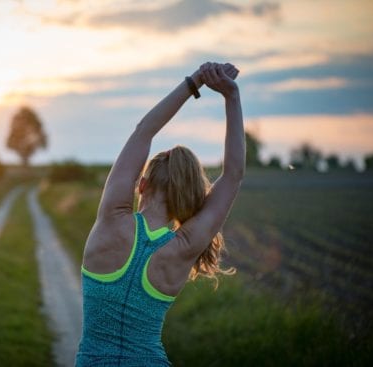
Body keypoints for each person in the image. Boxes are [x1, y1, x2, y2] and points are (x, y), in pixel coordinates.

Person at [75, 62, 245, 366]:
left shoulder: (112, 219)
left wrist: (194, 83)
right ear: (187, 198)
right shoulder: (184, 246)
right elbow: (233, 175)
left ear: (142, 185)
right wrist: (231, 97)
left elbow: (145, 130)